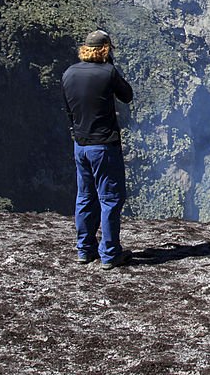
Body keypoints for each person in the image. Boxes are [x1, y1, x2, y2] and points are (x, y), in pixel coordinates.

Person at [62, 30, 134, 269]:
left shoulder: (69, 73)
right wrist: (111, 66)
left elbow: (69, 110)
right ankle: (110, 254)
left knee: (85, 196)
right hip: (103, 146)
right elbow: (127, 95)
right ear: (105, 49)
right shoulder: (108, 72)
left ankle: (84, 250)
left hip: (80, 144)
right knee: (111, 199)